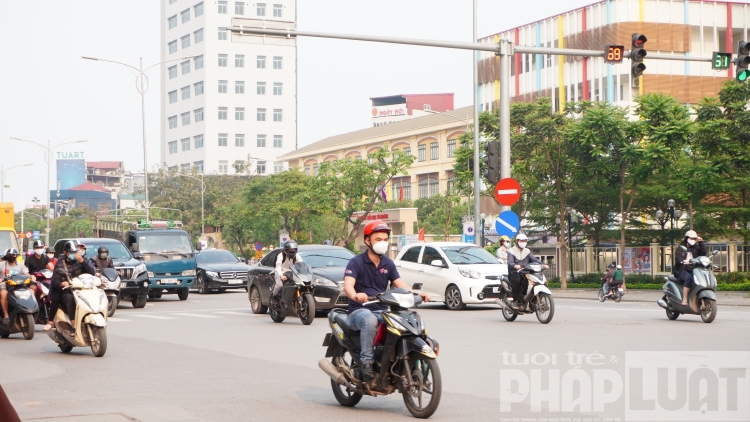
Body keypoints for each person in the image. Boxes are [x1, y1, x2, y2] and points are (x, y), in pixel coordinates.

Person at [344, 220, 430, 382]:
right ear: (367, 240)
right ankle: (367, 363)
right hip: (359, 311)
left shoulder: (388, 263)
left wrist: (418, 293)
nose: (383, 243)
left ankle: (393, 361)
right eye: (378, 239)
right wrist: (356, 295)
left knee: (403, 321)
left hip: (381, 310)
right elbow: (348, 285)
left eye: (385, 239)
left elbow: (401, 285)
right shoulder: (356, 262)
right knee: (369, 320)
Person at [45, 241, 95, 333]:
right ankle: (72, 326)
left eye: (74, 252)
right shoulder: (60, 263)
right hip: (66, 290)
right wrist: (62, 283)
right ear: (65, 252)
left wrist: (82, 262)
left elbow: (92, 273)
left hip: (80, 289)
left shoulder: (81, 260)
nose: (73, 254)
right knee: (70, 299)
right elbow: (55, 279)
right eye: (71, 252)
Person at [507, 234, 548, 307]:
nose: (524, 242)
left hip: (525, 272)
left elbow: (534, 259)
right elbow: (510, 262)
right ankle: (515, 300)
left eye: (525, 241)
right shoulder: (511, 251)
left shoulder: (527, 251)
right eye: (522, 241)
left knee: (530, 281)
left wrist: (543, 264)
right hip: (514, 272)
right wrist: (515, 265)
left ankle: (526, 297)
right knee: (517, 281)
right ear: (517, 241)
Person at [0, 249, 35, 325]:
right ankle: (6, 315)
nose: (11, 256)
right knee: (3, 293)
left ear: (16, 256)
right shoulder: (2, 264)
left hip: (18, 286)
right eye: (9, 255)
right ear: (6, 256)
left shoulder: (20, 265)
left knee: (30, 291)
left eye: (13, 255)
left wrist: (31, 276)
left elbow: (26, 274)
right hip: (4, 285)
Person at [673, 230, 707, 306]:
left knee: (699, 280)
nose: (693, 240)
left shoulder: (695, 247)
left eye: (694, 239)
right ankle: (684, 299)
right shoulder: (681, 248)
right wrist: (682, 261)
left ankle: (695, 297)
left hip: (693, 269)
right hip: (682, 269)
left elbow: (703, 254)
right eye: (691, 238)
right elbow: (678, 258)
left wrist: (701, 243)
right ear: (687, 238)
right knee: (689, 279)